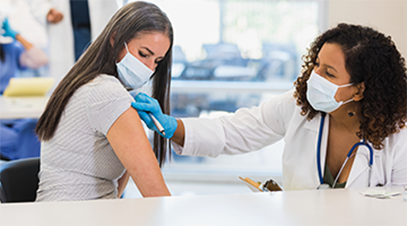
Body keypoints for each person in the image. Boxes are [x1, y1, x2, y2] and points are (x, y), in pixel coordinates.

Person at [132, 23, 407, 190]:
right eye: (317, 66)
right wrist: (172, 126)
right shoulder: (299, 107)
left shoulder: (399, 137)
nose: (315, 77)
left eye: (329, 73)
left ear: (359, 89)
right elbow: (235, 130)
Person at [35, 1, 173, 201]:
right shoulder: (107, 93)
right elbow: (157, 196)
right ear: (116, 38)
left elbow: (115, 187)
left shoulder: (85, 81)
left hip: (79, 213)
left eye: (157, 61)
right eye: (144, 54)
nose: (150, 69)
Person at [27, 0, 119, 88]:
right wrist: (46, 10)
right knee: (72, 83)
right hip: (66, 29)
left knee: (98, 79)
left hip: (98, 27)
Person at [0, 17, 48, 160]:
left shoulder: (10, 50)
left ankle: (29, 177)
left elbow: (41, 59)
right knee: (17, 140)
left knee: (33, 129)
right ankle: (21, 177)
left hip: (14, 113)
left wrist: (17, 36)